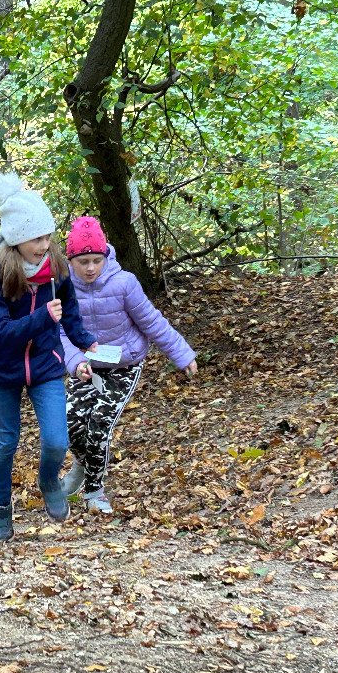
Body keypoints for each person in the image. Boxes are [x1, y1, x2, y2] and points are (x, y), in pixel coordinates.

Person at [0, 173, 97, 542]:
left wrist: (83, 339)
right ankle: (1, 506)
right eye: (37, 239)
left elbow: (69, 307)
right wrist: (42, 317)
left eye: (48, 237)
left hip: (46, 366)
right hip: (4, 370)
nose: (45, 245)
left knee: (57, 440)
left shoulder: (56, 268)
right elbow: (0, 332)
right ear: (17, 238)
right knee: (4, 443)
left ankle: (48, 482)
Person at [59, 216, 196, 514]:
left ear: (105, 256)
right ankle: (82, 464)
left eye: (96, 260)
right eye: (83, 262)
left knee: (99, 425)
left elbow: (151, 321)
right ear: (71, 261)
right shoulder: (64, 288)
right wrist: (75, 362)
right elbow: (61, 333)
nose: (91, 268)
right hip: (87, 366)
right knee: (69, 423)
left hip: (123, 364)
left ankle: (95, 493)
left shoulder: (124, 283)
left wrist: (182, 354)